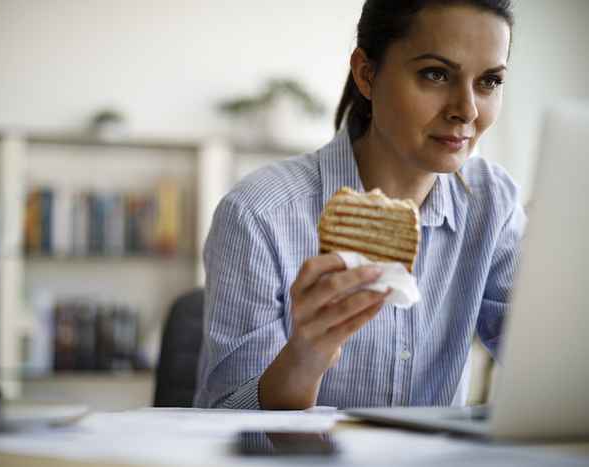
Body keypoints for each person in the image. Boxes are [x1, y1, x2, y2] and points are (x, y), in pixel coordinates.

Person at [194, 0, 525, 410]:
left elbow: (549, 369)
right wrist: (306, 358)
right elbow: (224, 423)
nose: (467, 110)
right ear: (367, 74)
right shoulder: (258, 214)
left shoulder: (495, 203)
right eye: (435, 74)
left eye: (489, 82)